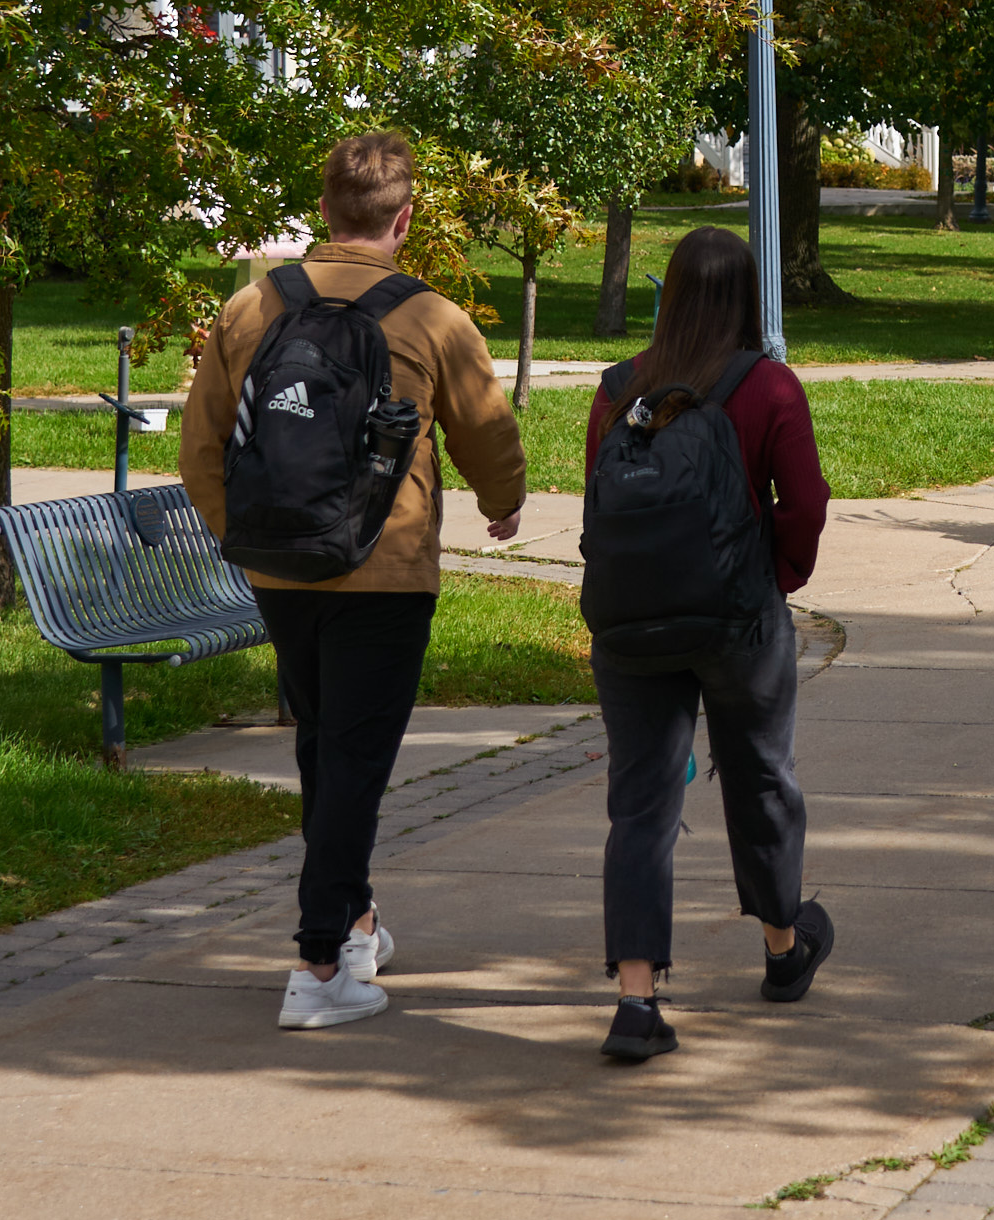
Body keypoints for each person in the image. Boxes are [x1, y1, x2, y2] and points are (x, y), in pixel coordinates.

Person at [178, 129, 528, 1030]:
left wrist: (246, 538)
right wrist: (504, 503)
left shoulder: (251, 308)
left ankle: (359, 922)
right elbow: (487, 430)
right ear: (403, 219)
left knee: (323, 751)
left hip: (281, 574)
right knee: (356, 765)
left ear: (324, 210)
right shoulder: (432, 318)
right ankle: (318, 963)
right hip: (386, 569)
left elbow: (202, 449)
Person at [583, 225, 832, 1062]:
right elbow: (803, 502)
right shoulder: (768, 387)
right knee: (761, 777)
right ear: (748, 294)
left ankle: (637, 1000)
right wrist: (780, 578)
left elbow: (601, 501)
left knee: (641, 804)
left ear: (674, 293)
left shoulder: (620, 387)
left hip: (632, 626)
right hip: (738, 622)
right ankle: (781, 948)